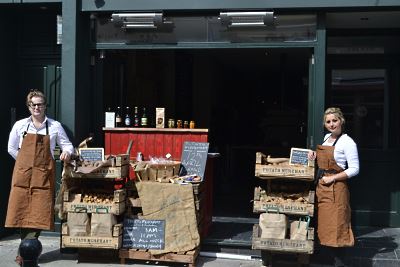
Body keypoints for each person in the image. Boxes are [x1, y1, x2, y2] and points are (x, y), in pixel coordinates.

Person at [6, 89, 74, 265]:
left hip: (43, 174)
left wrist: (66, 153)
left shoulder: (54, 126)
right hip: (23, 173)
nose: (37, 107)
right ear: (29, 107)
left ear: (45, 106)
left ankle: (28, 250)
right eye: (33, 104)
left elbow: (68, 146)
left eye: (40, 104)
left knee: (38, 210)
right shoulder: (20, 125)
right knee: (20, 210)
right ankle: (25, 250)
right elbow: (11, 148)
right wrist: (24, 161)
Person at [308, 107, 359, 267]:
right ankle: (325, 261)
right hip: (322, 188)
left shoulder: (347, 142)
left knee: (337, 226)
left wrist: (333, 178)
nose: (331, 124)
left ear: (341, 121)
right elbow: (325, 162)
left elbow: (354, 169)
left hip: (336, 189)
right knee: (323, 225)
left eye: (334, 121)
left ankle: (338, 263)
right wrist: (314, 156)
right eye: (328, 121)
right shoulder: (326, 138)